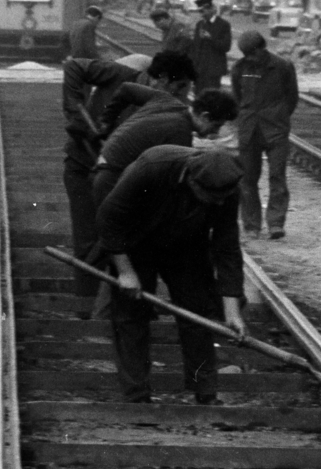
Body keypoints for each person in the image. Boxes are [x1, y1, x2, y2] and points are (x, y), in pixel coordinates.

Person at [96, 144, 246, 403]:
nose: (219, 203)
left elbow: (227, 248)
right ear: (192, 181)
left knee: (197, 312)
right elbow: (109, 218)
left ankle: (205, 391)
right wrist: (126, 271)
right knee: (131, 315)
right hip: (136, 241)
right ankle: (137, 396)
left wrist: (231, 311)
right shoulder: (152, 168)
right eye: (213, 198)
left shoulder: (226, 190)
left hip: (186, 246)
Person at [61, 52, 153, 313]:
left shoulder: (158, 100)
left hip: (115, 175)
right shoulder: (120, 73)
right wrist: (75, 113)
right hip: (82, 166)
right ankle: (84, 308)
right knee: (87, 237)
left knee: (117, 238)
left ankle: (114, 304)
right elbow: (74, 65)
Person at [92, 88, 238, 208]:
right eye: (216, 126)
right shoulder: (180, 134)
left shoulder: (166, 99)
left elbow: (126, 89)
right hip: (112, 180)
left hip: (105, 165)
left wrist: (106, 121)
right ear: (205, 116)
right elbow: (171, 186)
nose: (216, 133)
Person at [230, 29, 299, 239]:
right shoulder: (240, 68)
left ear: (262, 48)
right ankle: (251, 225)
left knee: (277, 176)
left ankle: (276, 223)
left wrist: (278, 117)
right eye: (246, 54)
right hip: (249, 129)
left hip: (275, 130)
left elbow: (292, 97)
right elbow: (237, 96)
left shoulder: (282, 66)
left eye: (253, 53)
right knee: (247, 179)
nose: (250, 58)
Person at [190, 0, 232, 91]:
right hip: (199, 69)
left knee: (211, 96)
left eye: (203, 11)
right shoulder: (200, 24)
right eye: (199, 11)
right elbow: (196, 47)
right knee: (198, 95)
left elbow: (226, 46)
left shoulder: (223, 25)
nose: (201, 14)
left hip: (214, 70)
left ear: (212, 9)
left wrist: (211, 39)